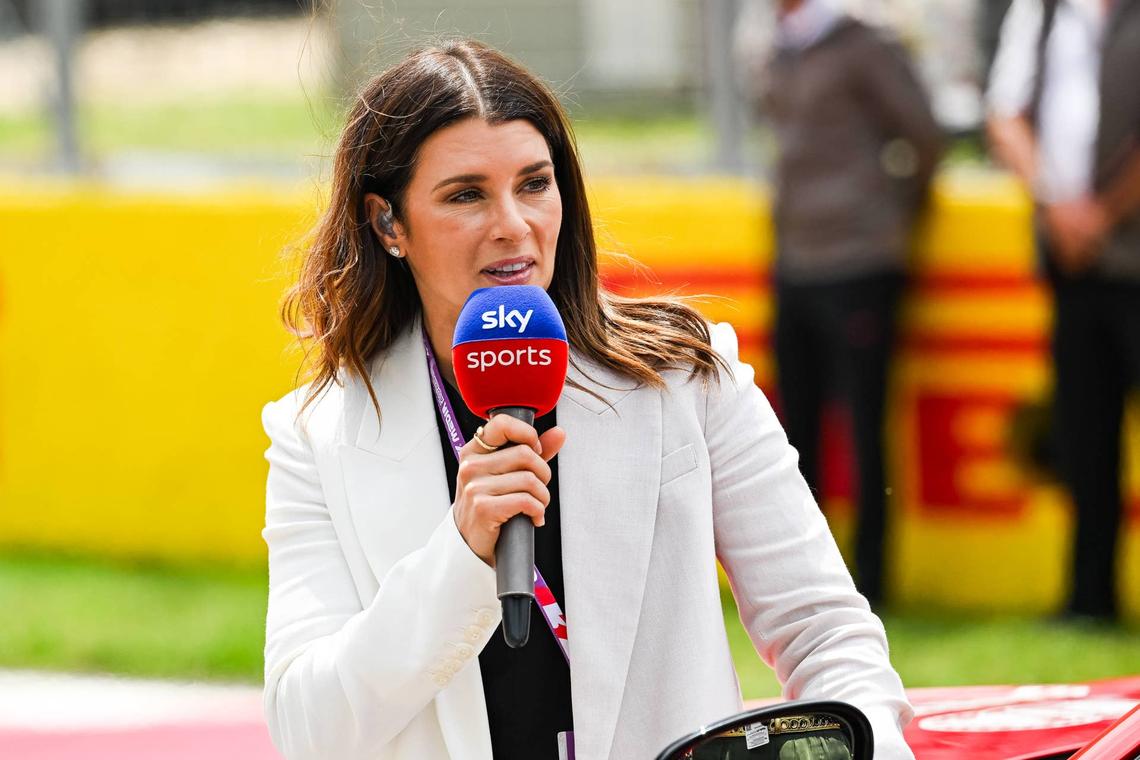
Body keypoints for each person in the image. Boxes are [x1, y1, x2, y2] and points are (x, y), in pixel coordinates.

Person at [260, 39, 915, 760]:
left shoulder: (690, 378)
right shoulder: (315, 436)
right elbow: (307, 729)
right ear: (389, 224)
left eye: (534, 184)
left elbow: (825, 630)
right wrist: (462, 555)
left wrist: (873, 744)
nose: (513, 224)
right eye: (466, 194)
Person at [736, 0, 944, 606]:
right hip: (794, 258)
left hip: (860, 262)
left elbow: (923, 135)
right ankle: (807, 584)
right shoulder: (777, 43)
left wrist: (885, 216)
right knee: (792, 433)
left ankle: (873, 583)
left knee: (865, 425)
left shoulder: (864, 42)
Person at [987, 0, 1140, 623]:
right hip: (1071, 264)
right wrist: (1057, 203)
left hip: (1125, 249)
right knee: (1084, 434)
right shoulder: (1042, 11)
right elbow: (1005, 115)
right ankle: (1088, 598)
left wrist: (1102, 213)